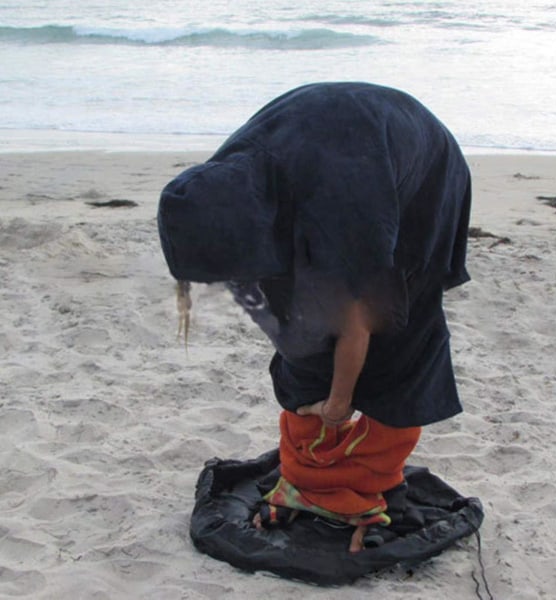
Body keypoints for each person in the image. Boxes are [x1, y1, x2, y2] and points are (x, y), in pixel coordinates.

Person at [158, 82, 471, 552]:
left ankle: (359, 488)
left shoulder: (342, 207)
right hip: (330, 146)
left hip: (419, 172)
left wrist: (339, 404)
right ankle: (312, 481)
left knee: (398, 335)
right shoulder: (218, 185)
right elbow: (278, 308)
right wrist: (305, 378)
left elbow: (358, 322)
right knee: (304, 341)